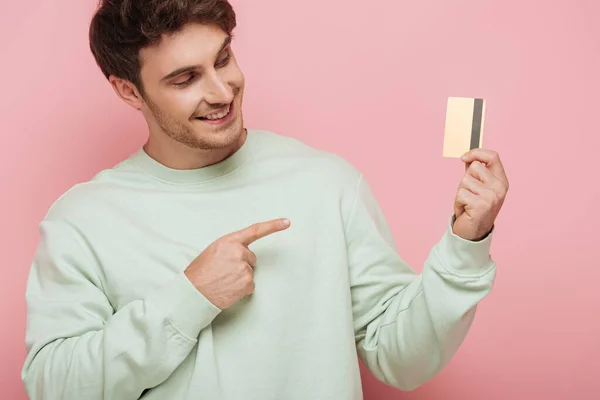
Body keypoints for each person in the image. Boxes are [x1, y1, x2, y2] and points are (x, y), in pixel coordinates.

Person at [21, 0, 509, 399]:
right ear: (128, 90)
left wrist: (465, 244)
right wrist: (189, 299)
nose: (221, 91)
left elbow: (403, 360)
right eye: (185, 79)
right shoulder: (82, 220)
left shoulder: (327, 182)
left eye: (223, 59)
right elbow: (54, 387)